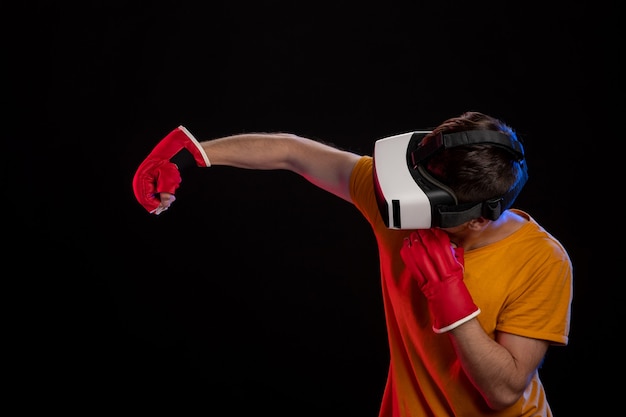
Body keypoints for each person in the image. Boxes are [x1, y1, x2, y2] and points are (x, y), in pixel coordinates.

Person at [132, 111, 572, 416]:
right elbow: (293, 153)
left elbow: (504, 390)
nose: (408, 202)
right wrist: (186, 154)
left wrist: (449, 296)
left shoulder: (542, 262)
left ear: (476, 220)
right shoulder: (399, 210)